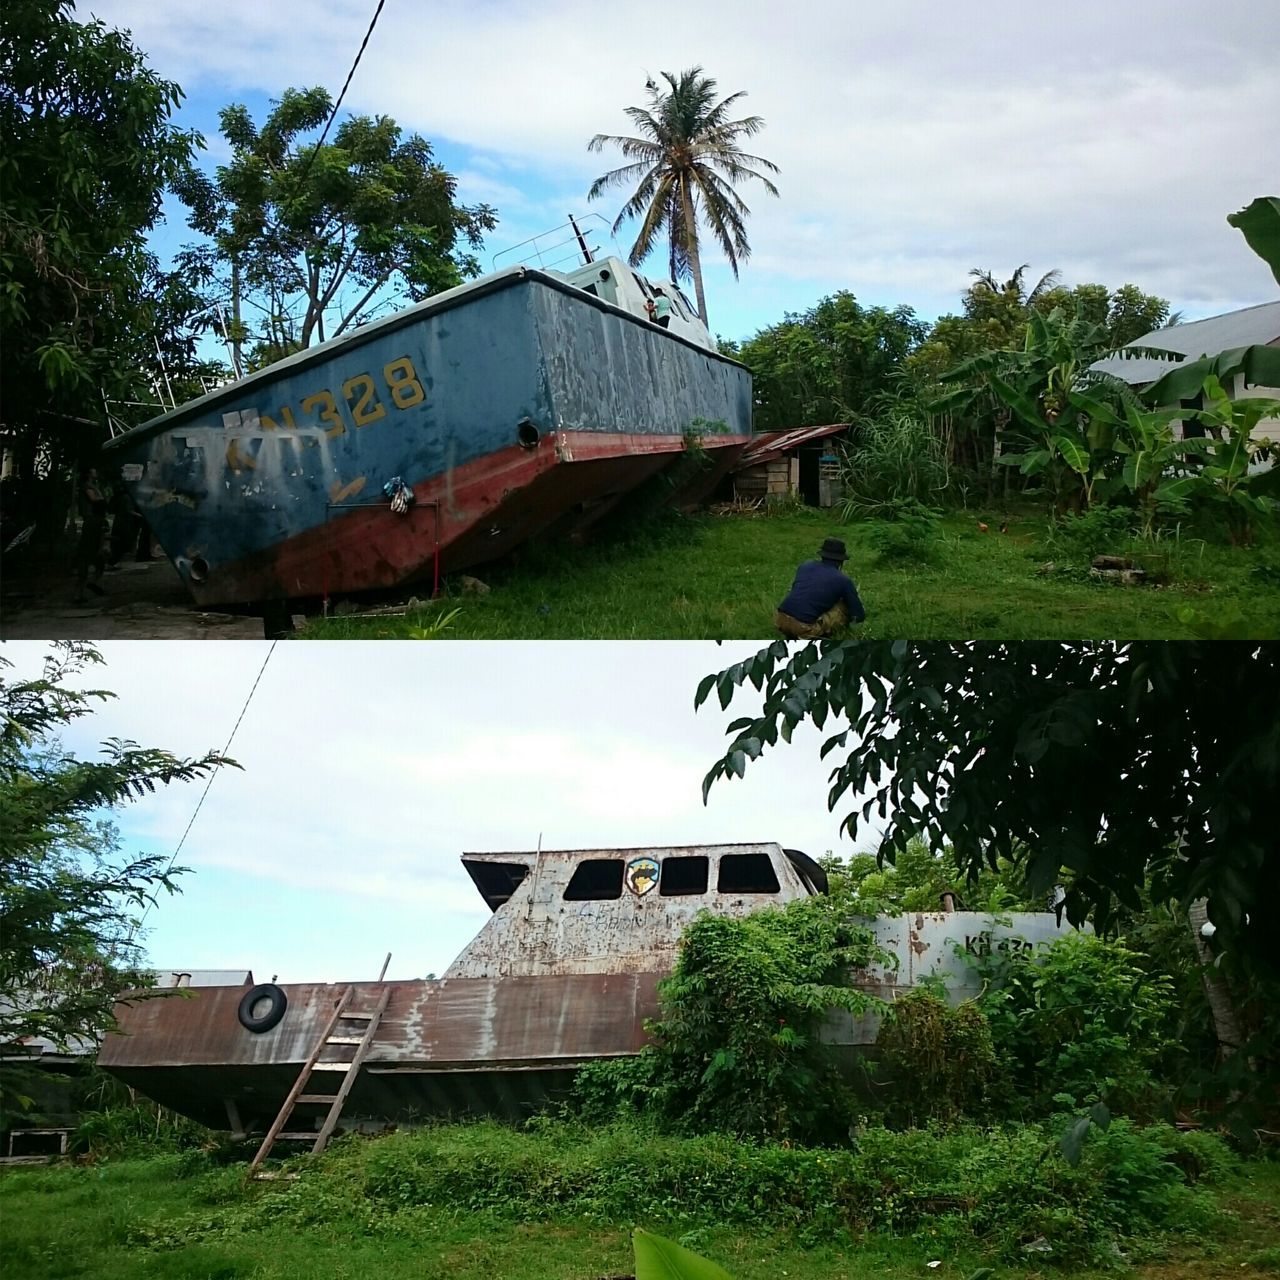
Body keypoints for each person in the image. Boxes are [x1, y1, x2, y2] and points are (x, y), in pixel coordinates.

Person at [774, 537, 866, 638]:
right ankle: (825, 634)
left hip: (780, 620)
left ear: (822, 555)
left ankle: (790, 631)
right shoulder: (843, 580)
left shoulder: (805, 566)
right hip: (803, 627)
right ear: (841, 561)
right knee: (843, 606)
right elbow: (859, 615)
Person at [73, 467, 109, 603]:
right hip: (94, 546)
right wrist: (103, 547)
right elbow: (103, 536)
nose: (96, 472)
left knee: (82, 571)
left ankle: (78, 594)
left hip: (85, 546)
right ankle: (92, 583)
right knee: (99, 566)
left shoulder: (89, 522)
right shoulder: (88, 487)